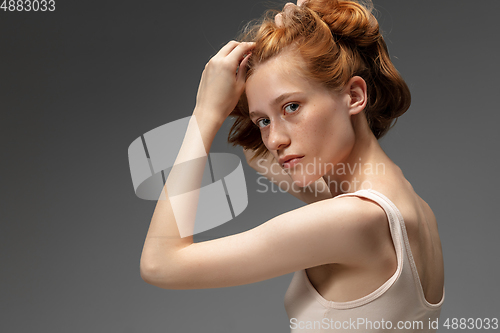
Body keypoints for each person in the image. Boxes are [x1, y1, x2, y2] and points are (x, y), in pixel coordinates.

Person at [139, 0, 445, 331]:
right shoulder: (410, 207)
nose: (274, 140)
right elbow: (258, 156)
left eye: (292, 106)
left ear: (355, 95)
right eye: (263, 121)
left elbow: (160, 264)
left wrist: (205, 113)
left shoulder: (354, 220)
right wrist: (303, 31)